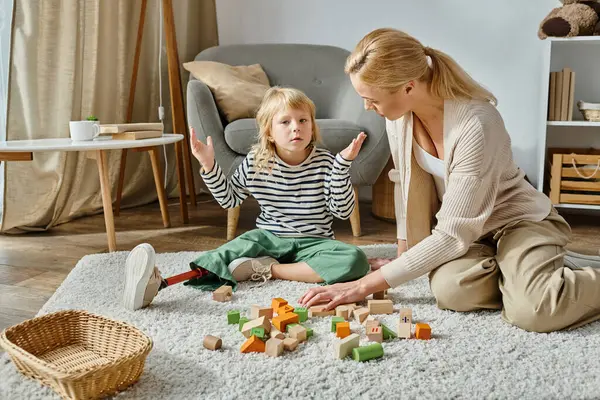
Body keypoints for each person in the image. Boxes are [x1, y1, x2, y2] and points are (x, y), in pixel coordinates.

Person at [299, 28, 600, 333]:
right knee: (451, 290)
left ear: (408, 87)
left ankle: (539, 275)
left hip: (518, 221)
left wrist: (363, 286)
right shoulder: (399, 118)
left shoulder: (476, 124)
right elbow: (405, 185)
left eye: (370, 99)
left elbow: (451, 235)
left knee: (536, 312)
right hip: (472, 232)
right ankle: (528, 274)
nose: (366, 107)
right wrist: (403, 253)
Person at [122, 86, 372, 311]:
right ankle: (160, 284)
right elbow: (230, 200)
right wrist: (209, 167)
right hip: (268, 238)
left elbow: (342, 210)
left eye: (303, 120)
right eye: (285, 122)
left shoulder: (328, 162)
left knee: (355, 259)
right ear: (270, 132)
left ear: (312, 127)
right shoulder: (256, 162)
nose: (296, 126)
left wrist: (342, 166)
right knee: (225, 252)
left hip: (315, 242)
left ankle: (267, 269)